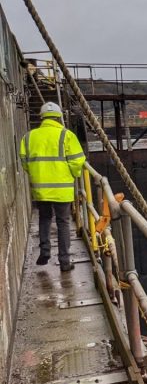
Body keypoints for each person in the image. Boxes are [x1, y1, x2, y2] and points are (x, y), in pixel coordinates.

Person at [19, 101, 86, 272]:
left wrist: (36, 175)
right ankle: (64, 261)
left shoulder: (29, 137)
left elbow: (24, 162)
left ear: (42, 117)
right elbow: (78, 161)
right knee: (63, 222)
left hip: (40, 188)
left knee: (45, 218)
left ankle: (45, 251)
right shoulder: (66, 135)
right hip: (62, 189)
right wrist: (74, 174)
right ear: (58, 117)